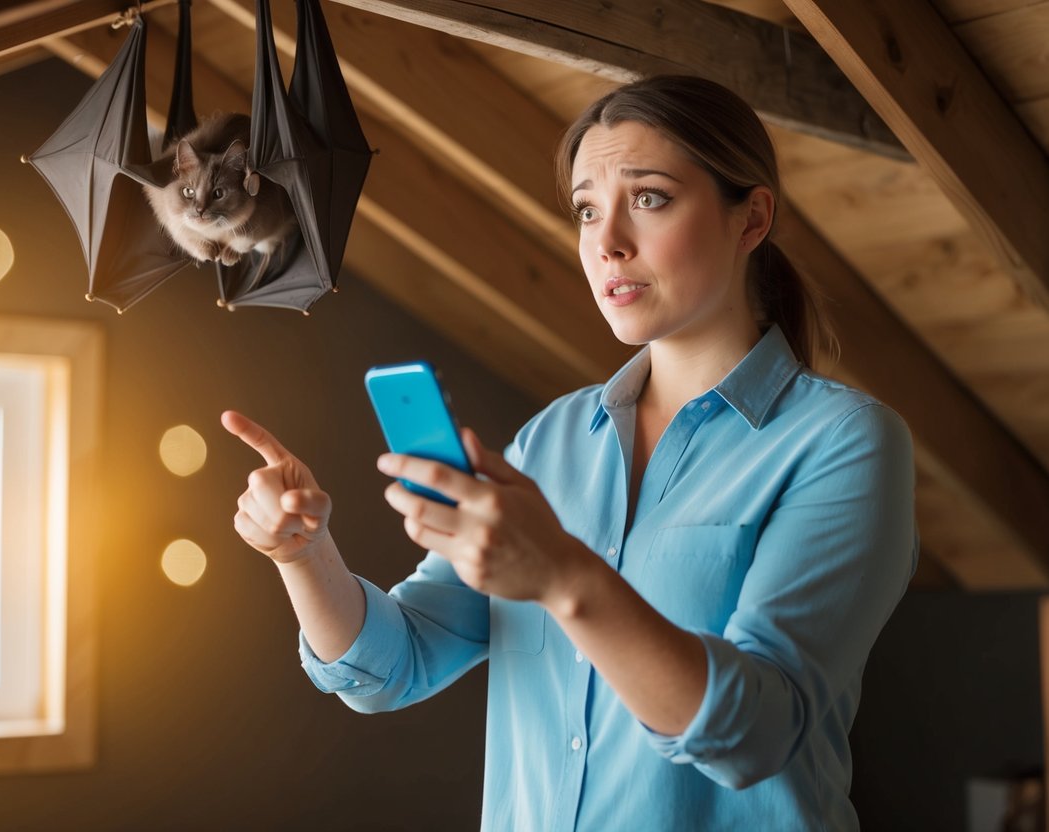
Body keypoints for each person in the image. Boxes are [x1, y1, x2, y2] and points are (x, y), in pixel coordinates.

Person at [222, 75, 917, 831]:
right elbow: (397, 664)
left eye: (648, 197)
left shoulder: (845, 443)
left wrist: (561, 573)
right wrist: (302, 554)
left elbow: (754, 733)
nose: (607, 242)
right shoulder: (550, 441)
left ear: (750, 219)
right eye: (587, 209)